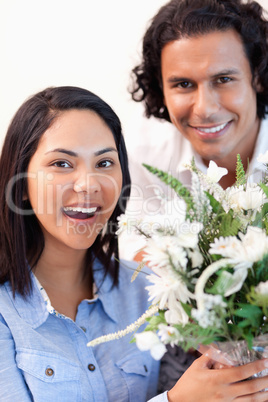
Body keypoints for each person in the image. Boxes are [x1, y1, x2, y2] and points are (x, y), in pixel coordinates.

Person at [117, 0, 268, 397]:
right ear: (160, 89)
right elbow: (130, 248)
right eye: (183, 84)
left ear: (258, 76)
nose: (205, 108)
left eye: (224, 79)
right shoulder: (141, 153)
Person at [0, 86, 161, 401]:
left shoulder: (149, 291)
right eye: (61, 164)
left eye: (104, 163)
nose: (88, 184)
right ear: (20, 186)